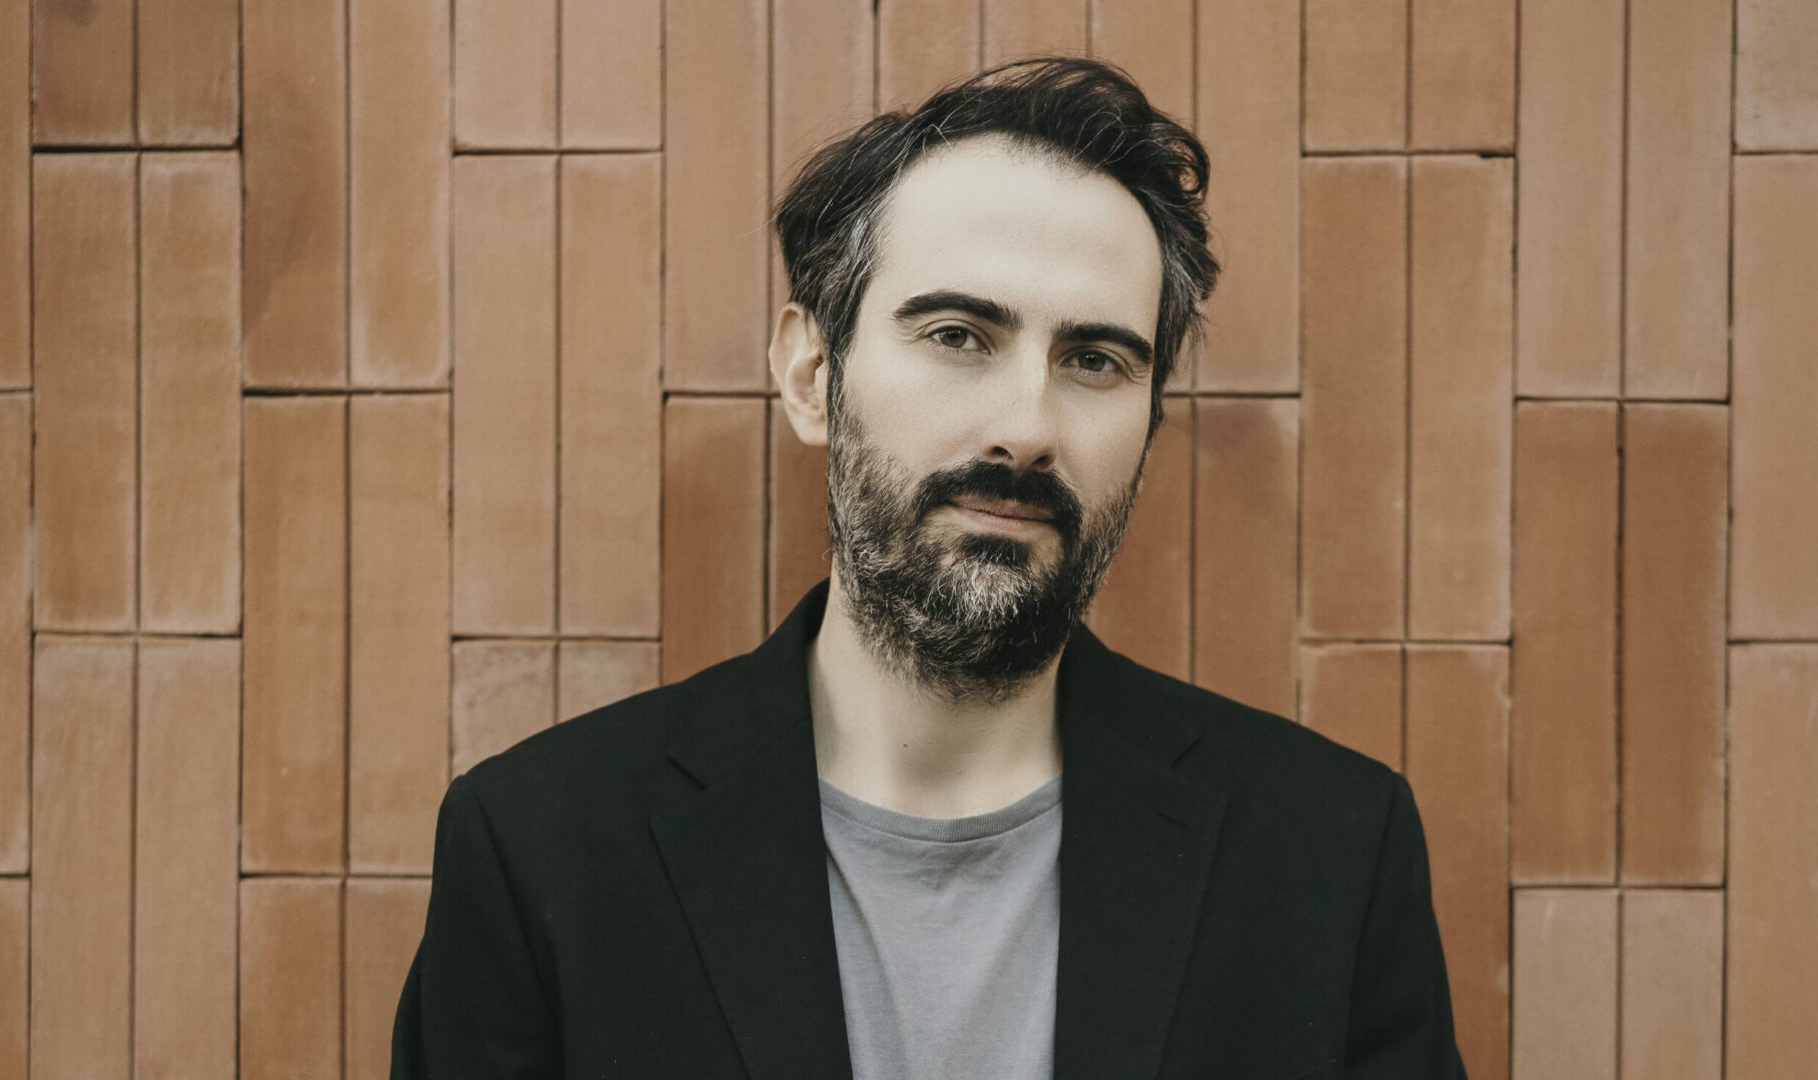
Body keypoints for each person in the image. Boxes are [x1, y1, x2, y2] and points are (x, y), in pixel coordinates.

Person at [391, 56, 1466, 1080]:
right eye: (958, 335)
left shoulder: (1329, 855)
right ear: (812, 374)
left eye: (1095, 360)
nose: (1027, 429)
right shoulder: (542, 848)